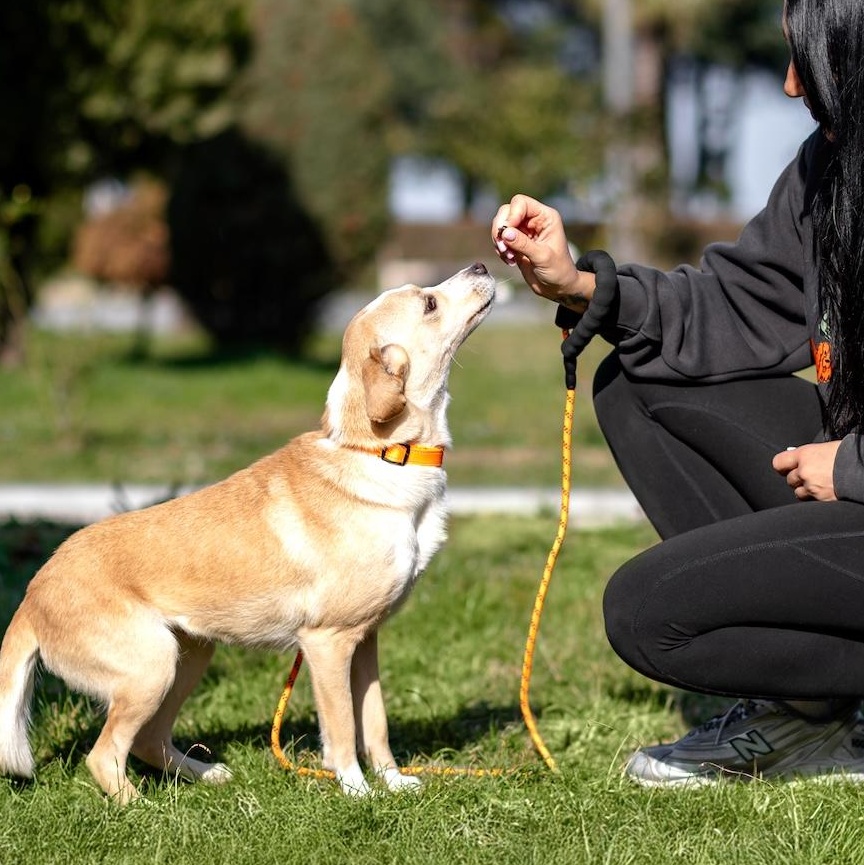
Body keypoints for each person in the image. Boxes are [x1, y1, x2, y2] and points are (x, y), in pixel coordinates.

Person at [491, 0, 864, 787]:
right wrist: (581, 283)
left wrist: (855, 468)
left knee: (646, 611)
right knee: (634, 378)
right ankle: (816, 718)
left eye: (812, 58)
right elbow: (735, 305)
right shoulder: (827, 169)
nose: (793, 85)